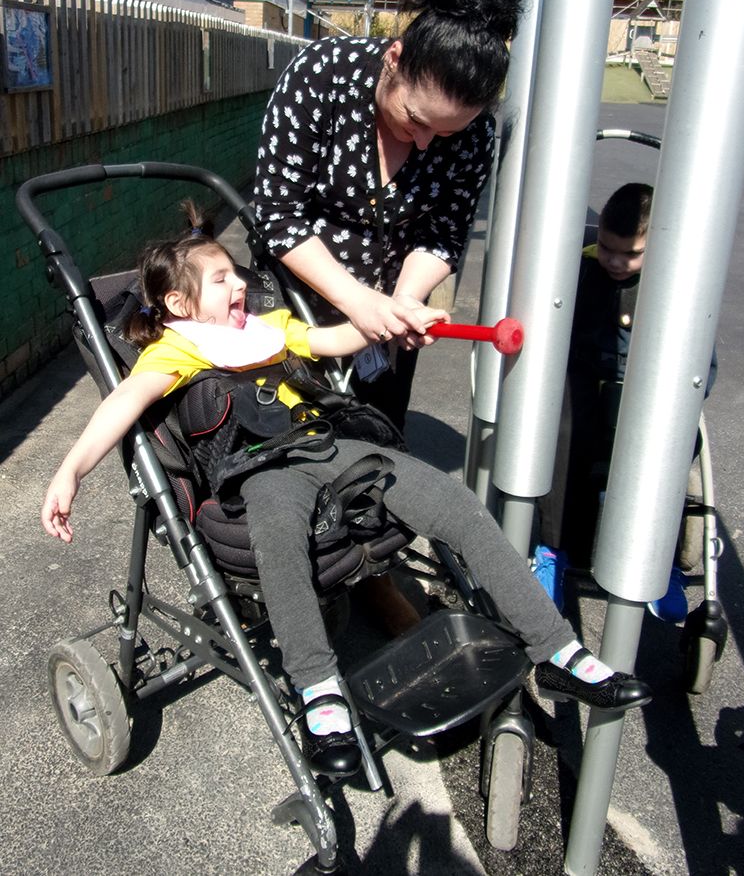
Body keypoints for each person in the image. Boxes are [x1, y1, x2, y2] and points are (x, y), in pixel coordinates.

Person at [42, 212, 651, 781]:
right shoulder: (174, 349)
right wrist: (71, 471)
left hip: (329, 447)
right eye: (222, 278)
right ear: (179, 303)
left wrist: (385, 319)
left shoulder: (268, 327)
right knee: (278, 538)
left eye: (236, 274)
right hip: (261, 470)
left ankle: (558, 652)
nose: (240, 287)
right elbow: (124, 402)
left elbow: (332, 342)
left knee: (454, 502)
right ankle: (318, 689)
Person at [253, 0, 527, 431]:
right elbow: (278, 214)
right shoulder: (322, 76)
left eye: (444, 135)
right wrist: (359, 302)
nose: (424, 143)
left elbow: (443, 234)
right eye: (417, 120)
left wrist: (403, 301)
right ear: (394, 59)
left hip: (384, 321)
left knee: (372, 442)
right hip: (289, 304)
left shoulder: (477, 134)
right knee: (284, 442)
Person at [534, 183, 716, 622]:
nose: (615, 261)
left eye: (630, 254)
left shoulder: (675, 287)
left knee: (667, 442)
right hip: (584, 387)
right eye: (609, 250)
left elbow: (701, 367)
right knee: (559, 431)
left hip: (642, 390)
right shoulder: (583, 269)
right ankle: (554, 550)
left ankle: (662, 560)